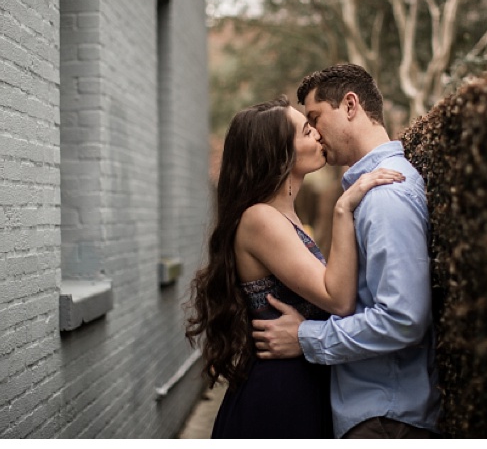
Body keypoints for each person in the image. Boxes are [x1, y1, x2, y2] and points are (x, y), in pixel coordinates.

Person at [185, 95, 404, 438]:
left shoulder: (285, 216)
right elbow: (338, 298)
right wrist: (343, 209)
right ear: (279, 152)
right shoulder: (261, 219)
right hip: (278, 394)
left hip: (300, 381)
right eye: (306, 131)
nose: (317, 134)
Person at [252, 64, 441, 439]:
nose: (315, 133)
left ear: (350, 105)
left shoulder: (385, 195)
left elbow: (403, 319)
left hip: (387, 418)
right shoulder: (366, 194)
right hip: (378, 413)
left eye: (315, 118)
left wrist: (307, 336)